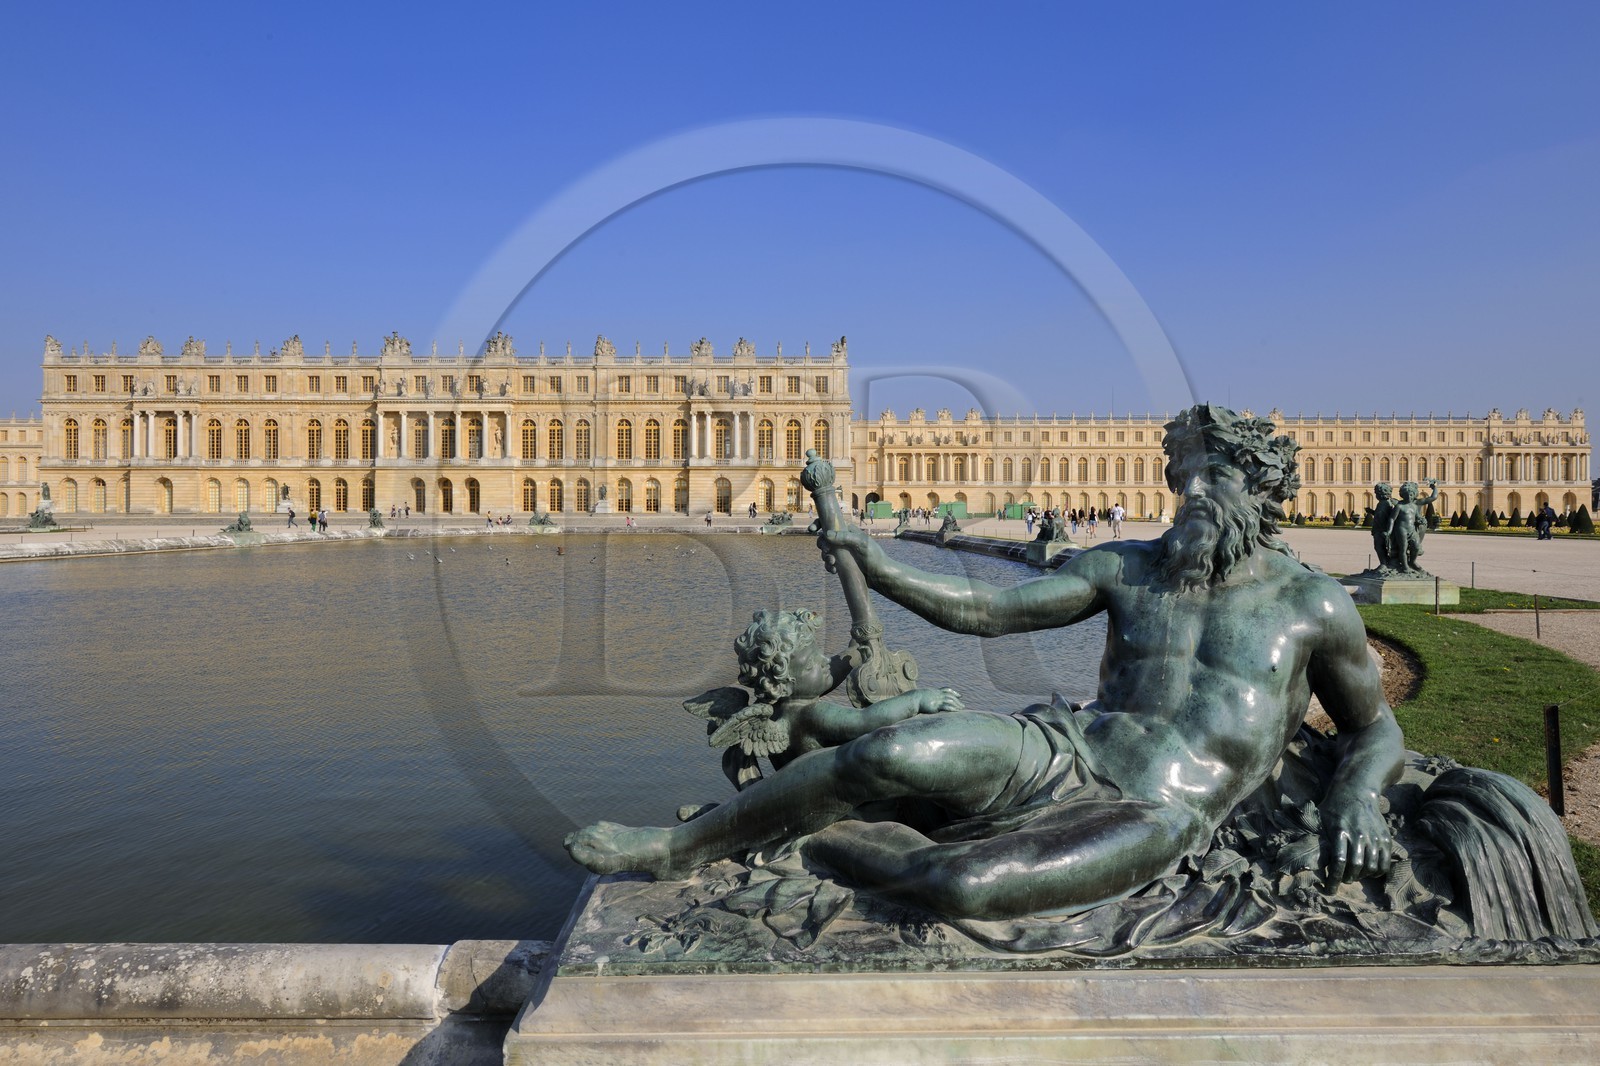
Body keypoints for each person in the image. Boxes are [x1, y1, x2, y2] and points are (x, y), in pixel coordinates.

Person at [567, 404, 1402, 920]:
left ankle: (821, 844)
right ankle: (682, 848)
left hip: (1157, 811)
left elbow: (1374, 729)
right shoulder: (1130, 567)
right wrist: (872, 553)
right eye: (1177, 478)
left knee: (965, 888)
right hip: (1068, 749)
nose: (1183, 496)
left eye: (1202, 478)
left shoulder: (1312, 604)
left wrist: (1360, 796)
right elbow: (989, 610)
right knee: (885, 750)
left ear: (1252, 485)